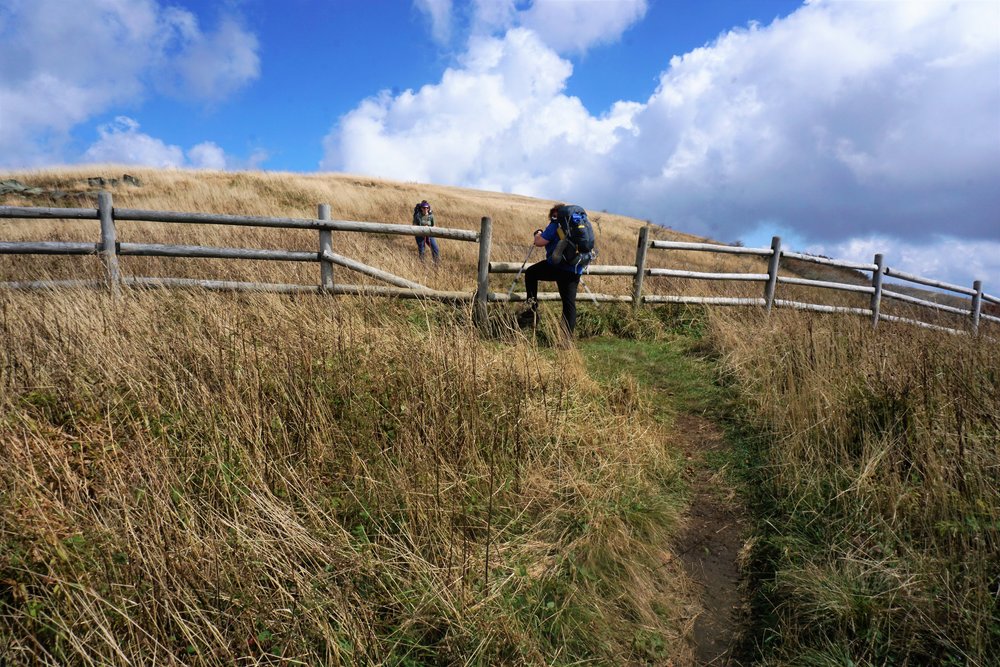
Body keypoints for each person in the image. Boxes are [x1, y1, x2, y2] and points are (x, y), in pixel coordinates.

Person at [517, 204, 585, 338]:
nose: (554, 217)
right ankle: (566, 341)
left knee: (531, 273)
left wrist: (537, 234)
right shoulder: (578, 226)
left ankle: (532, 309)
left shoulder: (555, 225)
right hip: (575, 269)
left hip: (558, 267)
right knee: (569, 304)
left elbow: (539, 242)